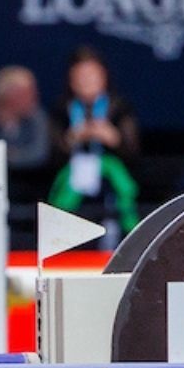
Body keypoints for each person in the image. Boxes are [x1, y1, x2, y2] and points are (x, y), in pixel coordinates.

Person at [46, 46, 140, 243]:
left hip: (109, 182)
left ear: (103, 77)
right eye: (80, 76)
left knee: (122, 191)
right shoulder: (61, 109)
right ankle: (59, 238)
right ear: (71, 80)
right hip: (73, 178)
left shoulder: (120, 107)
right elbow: (51, 155)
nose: (86, 81)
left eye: (92, 75)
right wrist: (71, 139)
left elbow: (134, 154)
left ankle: (132, 236)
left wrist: (114, 139)